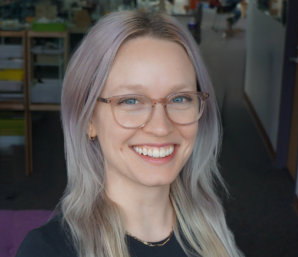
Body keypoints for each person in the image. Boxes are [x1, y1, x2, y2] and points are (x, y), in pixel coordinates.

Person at [16, 11, 244, 257]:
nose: (161, 127)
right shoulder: (47, 250)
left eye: (180, 98)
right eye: (131, 100)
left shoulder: (212, 230)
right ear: (88, 119)